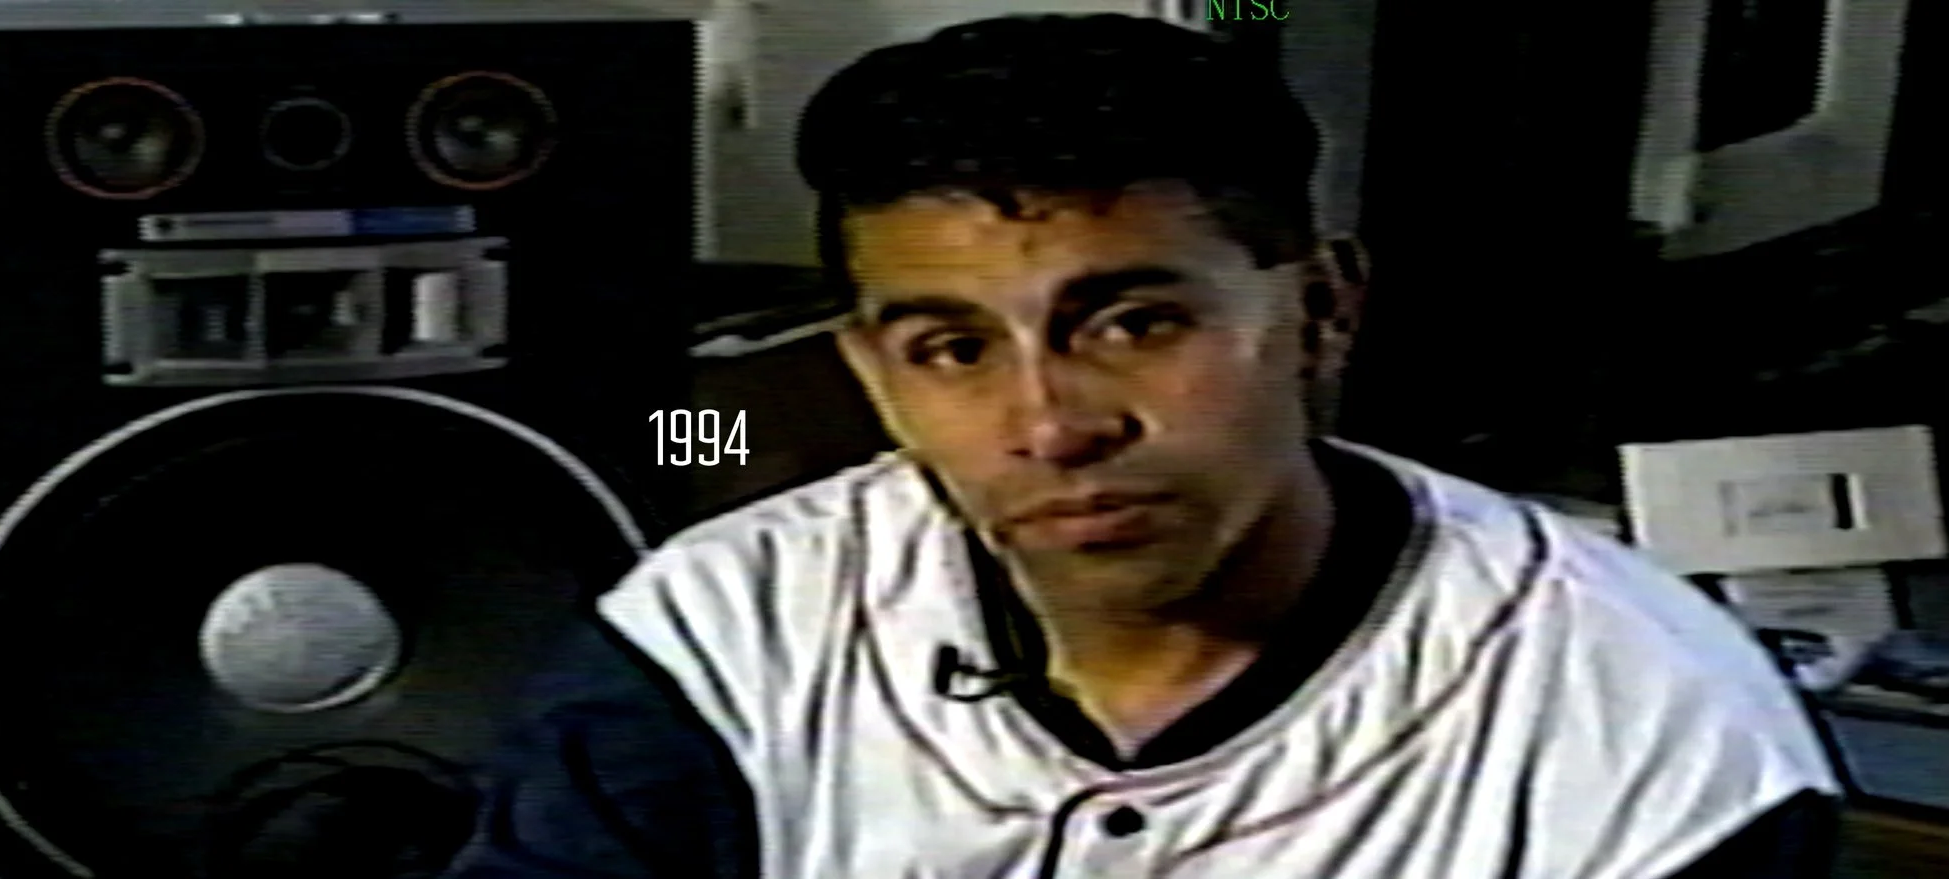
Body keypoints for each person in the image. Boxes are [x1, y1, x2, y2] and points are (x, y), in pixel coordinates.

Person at [445, 13, 1843, 878]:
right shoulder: (724, 632)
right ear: (871, 371)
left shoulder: (1651, 734)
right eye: (952, 348)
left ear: (1322, 308)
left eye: (1131, 322)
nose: (1050, 424)